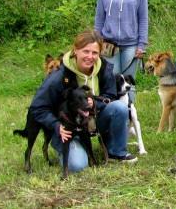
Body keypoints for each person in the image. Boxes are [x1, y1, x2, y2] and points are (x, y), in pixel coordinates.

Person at [28, 30, 136, 173]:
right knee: (77, 165)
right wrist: (55, 125)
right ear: (75, 50)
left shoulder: (104, 68)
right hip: (65, 127)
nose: (90, 57)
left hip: (92, 121)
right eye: (86, 51)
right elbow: (37, 108)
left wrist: (95, 103)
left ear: (100, 53)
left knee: (119, 107)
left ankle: (115, 152)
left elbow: (110, 95)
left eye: (95, 53)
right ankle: (70, 147)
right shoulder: (59, 76)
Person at [94, 0, 148, 101]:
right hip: (108, 45)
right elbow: (99, 19)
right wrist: (96, 43)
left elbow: (143, 19)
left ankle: (130, 117)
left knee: (128, 82)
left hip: (131, 44)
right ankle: (114, 114)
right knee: (111, 80)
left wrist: (142, 44)